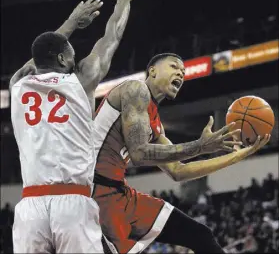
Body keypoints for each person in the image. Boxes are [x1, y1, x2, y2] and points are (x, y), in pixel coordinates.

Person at [9, 0, 144, 253]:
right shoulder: (81, 81)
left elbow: (37, 56)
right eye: (69, 54)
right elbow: (111, 39)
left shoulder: (18, 85)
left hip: (30, 206)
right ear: (61, 59)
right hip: (72, 203)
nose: (74, 57)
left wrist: (70, 23)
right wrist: (123, 0)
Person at [92, 52, 270, 254]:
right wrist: (200, 146)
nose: (181, 73)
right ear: (152, 71)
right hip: (92, 191)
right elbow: (139, 153)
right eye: (174, 67)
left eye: (183, 72)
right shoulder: (135, 89)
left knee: (199, 235)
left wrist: (238, 155)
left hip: (117, 192)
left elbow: (178, 171)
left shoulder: (155, 123)